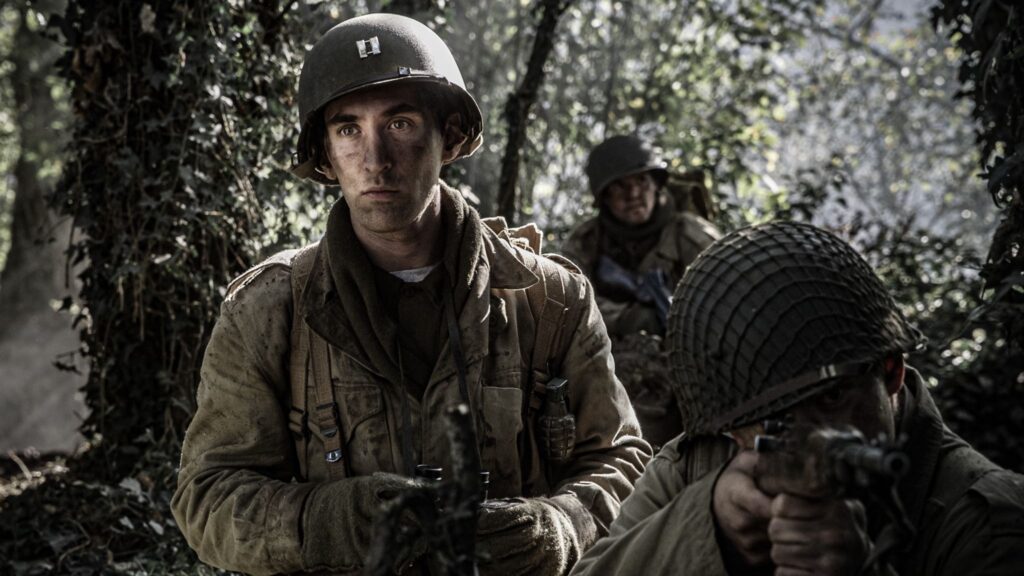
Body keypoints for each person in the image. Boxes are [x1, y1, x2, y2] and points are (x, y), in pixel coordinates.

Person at [170, 14, 650, 576]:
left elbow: (623, 461)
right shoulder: (270, 311)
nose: (375, 160)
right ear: (325, 155)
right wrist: (328, 521)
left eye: (399, 124)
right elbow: (207, 495)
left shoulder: (551, 299)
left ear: (448, 136)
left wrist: (562, 525)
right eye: (349, 130)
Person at [570, 221, 1024, 576]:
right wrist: (709, 529)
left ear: (890, 372)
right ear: (730, 423)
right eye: (767, 419)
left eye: (830, 400)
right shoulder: (697, 469)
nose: (804, 434)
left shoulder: (988, 524)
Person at [562, 135, 720, 449]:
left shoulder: (693, 237)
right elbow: (565, 301)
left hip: (684, 367)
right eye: (620, 186)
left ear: (657, 184)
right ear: (603, 195)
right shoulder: (586, 241)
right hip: (607, 364)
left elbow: (725, 307)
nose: (633, 194)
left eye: (642, 182)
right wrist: (628, 317)